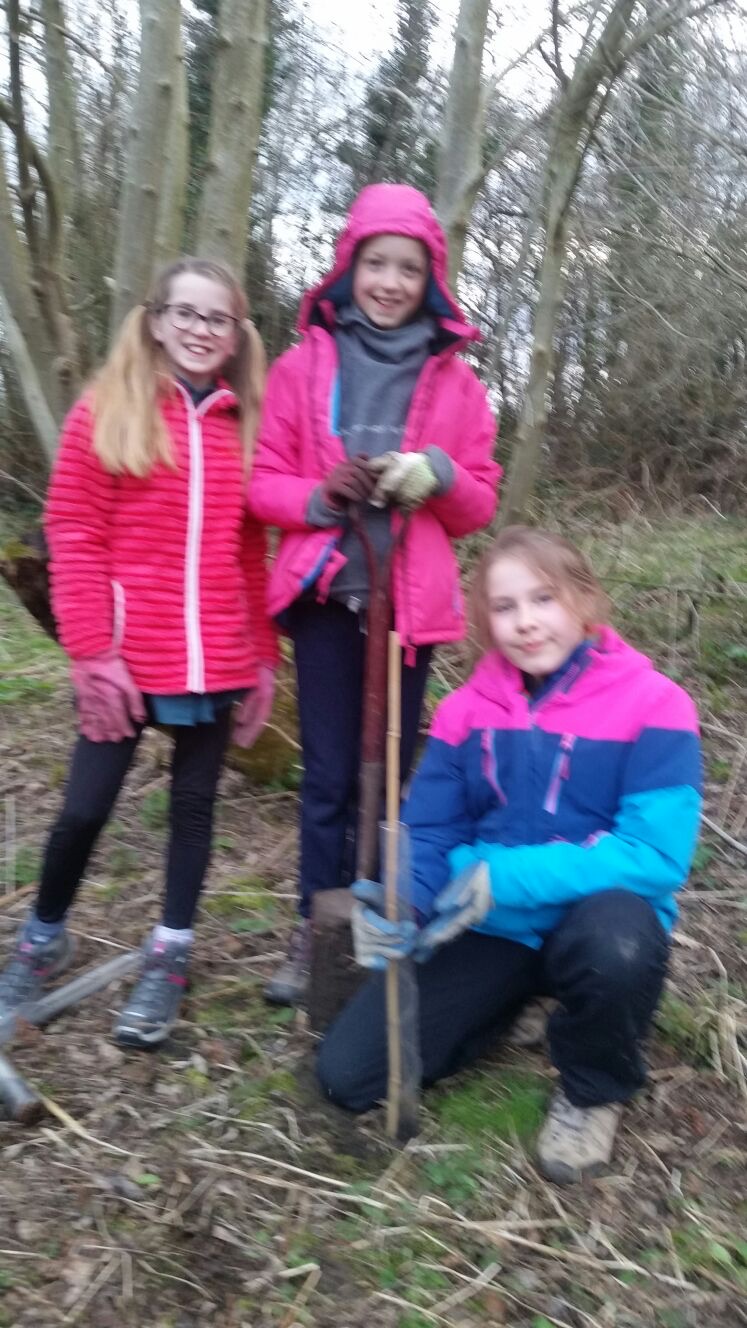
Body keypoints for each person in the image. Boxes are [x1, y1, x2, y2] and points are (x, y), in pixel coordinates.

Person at [317, 526, 702, 1184]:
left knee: (619, 942)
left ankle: (592, 1089)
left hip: (593, 921)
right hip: (489, 927)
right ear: (485, 621)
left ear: (582, 601)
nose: (525, 623)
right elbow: (430, 831)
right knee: (347, 1076)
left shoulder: (656, 704)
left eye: (542, 599)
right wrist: (401, 901)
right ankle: (501, 1008)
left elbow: (652, 856)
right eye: (504, 607)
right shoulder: (463, 713)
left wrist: (502, 873)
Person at [0, 258, 278, 1048]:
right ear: (154, 320)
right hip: (128, 656)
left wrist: (262, 657)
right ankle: (42, 938)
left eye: (216, 318)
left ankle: (171, 955)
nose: (199, 329)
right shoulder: (105, 413)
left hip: (218, 657)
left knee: (193, 809)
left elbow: (252, 554)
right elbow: (75, 539)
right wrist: (92, 653)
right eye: (184, 313)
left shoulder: (245, 426)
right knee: (84, 807)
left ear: (236, 334)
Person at [248, 183, 500, 1005]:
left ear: (431, 278)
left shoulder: (457, 385)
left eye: (407, 268)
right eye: (375, 263)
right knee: (326, 776)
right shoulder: (301, 365)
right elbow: (264, 486)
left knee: (387, 780)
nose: (389, 282)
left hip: (410, 610)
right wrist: (320, 499)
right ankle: (309, 929)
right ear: (347, 267)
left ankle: (375, 921)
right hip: (329, 601)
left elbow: (480, 503)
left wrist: (439, 476)